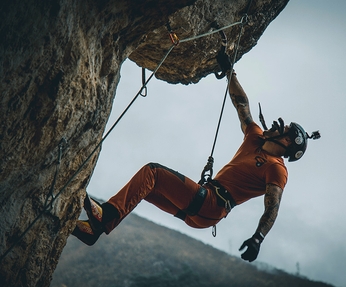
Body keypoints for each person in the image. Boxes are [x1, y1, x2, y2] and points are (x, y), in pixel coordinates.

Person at [72, 56, 320, 262]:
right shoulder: (255, 137)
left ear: (287, 142)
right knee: (147, 187)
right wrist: (230, 72)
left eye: (284, 128)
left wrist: (258, 238)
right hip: (202, 211)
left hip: (213, 203)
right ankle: (95, 230)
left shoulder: (277, 169)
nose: (278, 125)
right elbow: (242, 105)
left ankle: (106, 215)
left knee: (153, 172)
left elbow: (272, 207)